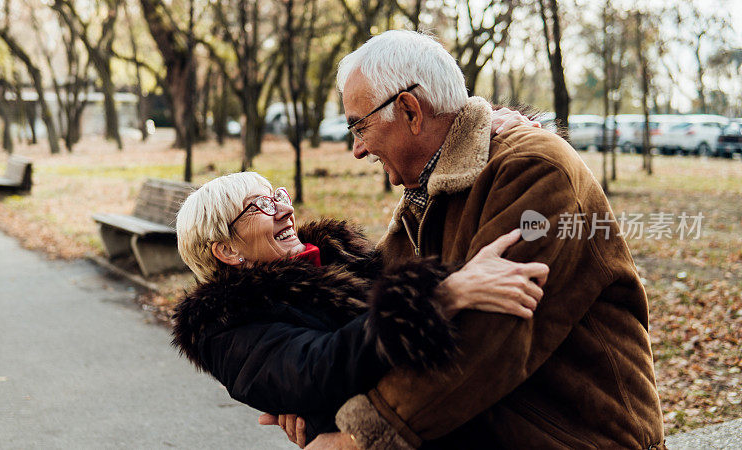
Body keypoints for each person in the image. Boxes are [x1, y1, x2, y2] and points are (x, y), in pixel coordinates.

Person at [276, 30, 664, 449]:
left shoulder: (533, 169)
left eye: (359, 126)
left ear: (409, 111)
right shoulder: (424, 199)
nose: (357, 148)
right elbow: (375, 318)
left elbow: (487, 340)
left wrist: (358, 437)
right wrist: (308, 397)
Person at [170, 171, 549, 446]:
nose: (286, 210)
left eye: (278, 195)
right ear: (228, 250)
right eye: (261, 206)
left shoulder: (339, 263)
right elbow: (319, 368)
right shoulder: (222, 327)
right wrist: (443, 297)